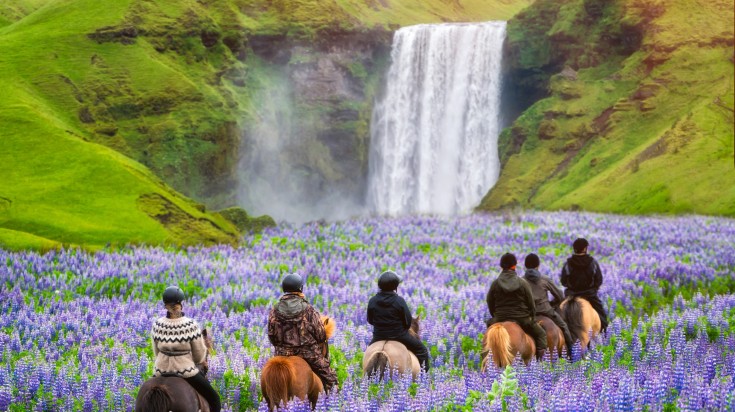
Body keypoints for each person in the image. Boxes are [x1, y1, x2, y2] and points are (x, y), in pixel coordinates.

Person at [151, 286, 221, 412]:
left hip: (160, 370)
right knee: (214, 398)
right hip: (185, 371)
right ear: (181, 304)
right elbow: (199, 355)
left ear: (165, 305)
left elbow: (156, 352)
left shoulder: (157, 324)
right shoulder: (190, 325)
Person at [267, 273, 338, 393]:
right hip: (307, 353)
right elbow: (321, 335)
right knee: (330, 377)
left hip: (281, 353)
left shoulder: (275, 309)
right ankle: (334, 398)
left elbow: (271, 335)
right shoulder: (308, 309)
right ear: (300, 288)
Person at [367, 270, 431, 372]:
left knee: (368, 353)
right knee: (422, 350)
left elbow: (370, 320)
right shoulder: (399, 301)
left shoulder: (372, 301)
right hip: (399, 335)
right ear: (395, 286)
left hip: (378, 336)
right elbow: (408, 321)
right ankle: (424, 379)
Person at [486, 253, 547, 359]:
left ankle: (487, 356)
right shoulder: (522, 283)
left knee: (488, 331)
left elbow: (489, 301)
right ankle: (540, 362)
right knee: (541, 334)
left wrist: (495, 316)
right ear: (514, 266)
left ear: (501, 266)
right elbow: (531, 303)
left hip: (500, 317)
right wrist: (531, 317)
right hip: (522, 318)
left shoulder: (495, 283)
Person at [522, 253, 574, 357]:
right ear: (538, 266)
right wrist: (552, 303)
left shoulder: (521, 281)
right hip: (546, 311)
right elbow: (559, 295)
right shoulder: (544, 279)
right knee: (564, 326)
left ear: (525, 266)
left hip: (528, 314)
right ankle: (572, 354)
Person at [560, 238, 609, 332]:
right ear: (585, 249)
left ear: (574, 249)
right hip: (589, 295)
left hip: (571, 295)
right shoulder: (592, 262)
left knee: (557, 313)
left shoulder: (568, 263)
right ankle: (605, 333)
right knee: (601, 316)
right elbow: (599, 280)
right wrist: (593, 289)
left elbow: (563, 281)